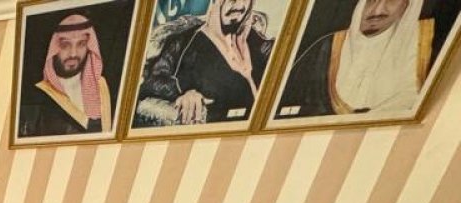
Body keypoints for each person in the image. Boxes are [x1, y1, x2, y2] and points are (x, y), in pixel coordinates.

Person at [275, 0, 451, 118]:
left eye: (391, 0)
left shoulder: (430, 44)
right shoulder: (325, 48)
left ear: (409, 5)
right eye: (371, 0)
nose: (377, 10)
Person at [134, 0, 275, 126]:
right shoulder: (184, 42)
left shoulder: (255, 40)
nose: (238, 5)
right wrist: (185, 93)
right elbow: (153, 81)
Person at [19, 12, 115, 136]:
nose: (73, 54)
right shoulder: (37, 96)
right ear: (53, 48)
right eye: (65, 45)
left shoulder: (103, 87)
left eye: (81, 44)